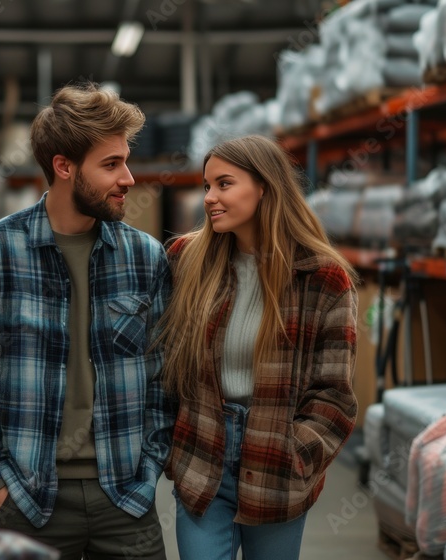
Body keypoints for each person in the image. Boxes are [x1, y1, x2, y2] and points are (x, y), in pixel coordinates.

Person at [0, 82, 173, 560]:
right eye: (111, 165)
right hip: (30, 501)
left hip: (126, 497)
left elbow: (163, 378)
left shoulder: (145, 258)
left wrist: (150, 468)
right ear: (64, 167)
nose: (129, 178)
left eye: (126, 160)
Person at [160, 135, 358, 560]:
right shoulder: (185, 261)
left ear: (265, 186)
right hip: (203, 455)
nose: (209, 197)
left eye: (224, 184)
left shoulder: (322, 279)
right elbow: (159, 364)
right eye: (207, 185)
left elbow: (334, 396)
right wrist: (170, 448)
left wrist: (296, 456)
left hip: (277, 465)